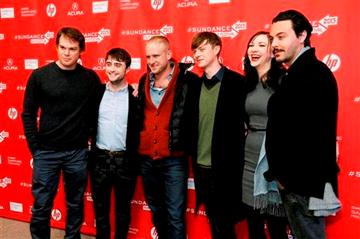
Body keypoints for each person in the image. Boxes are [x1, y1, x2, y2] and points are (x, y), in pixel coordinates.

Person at [265, 9, 341, 239]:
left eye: (281, 36)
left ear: (301, 36)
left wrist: (286, 178)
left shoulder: (312, 74)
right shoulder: (298, 72)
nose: (274, 44)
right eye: (272, 38)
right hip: (300, 184)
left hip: (303, 185)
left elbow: (310, 135)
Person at [21, 27, 101, 239]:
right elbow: (28, 114)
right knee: (41, 206)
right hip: (46, 153)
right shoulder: (39, 76)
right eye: (63, 47)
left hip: (77, 153)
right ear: (56, 47)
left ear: (81, 50)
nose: (66, 53)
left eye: (72, 49)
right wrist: (35, 148)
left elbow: (98, 111)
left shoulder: (90, 78)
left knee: (75, 204)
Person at [136, 35, 198, 239]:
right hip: (146, 159)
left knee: (175, 216)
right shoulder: (144, 79)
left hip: (173, 159)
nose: (151, 61)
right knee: (158, 213)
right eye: (147, 57)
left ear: (169, 55)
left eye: (155, 55)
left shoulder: (187, 81)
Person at [190, 31, 246, 239]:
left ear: (216, 49)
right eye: (195, 50)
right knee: (214, 221)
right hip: (201, 167)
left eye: (202, 49)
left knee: (226, 224)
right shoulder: (195, 85)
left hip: (227, 169)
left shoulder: (237, 84)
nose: (197, 54)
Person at [241, 31, 289, 239]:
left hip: (273, 161)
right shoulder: (247, 84)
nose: (254, 49)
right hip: (249, 160)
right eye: (252, 45)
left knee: (277, 227)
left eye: (261, 45)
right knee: (254, 226)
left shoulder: (284, 82)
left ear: (272, 51)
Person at [88, 48, 139, 239]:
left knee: (123, 211)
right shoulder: (97, 93)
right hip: (99, 159)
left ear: (127, 68)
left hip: (125, 161)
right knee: (100, 211)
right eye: (108, 64)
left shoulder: (136, 96)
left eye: (117, 64)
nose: (111, 69)